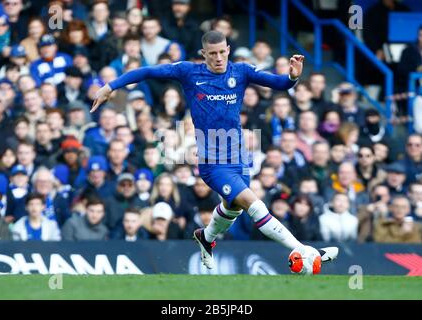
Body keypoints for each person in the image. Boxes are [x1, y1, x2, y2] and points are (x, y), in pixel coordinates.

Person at [91, 30, 338, 269]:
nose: (219, 58)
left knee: (233, 209)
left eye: (222, 52)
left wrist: (293, 77)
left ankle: (206, 238)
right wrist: (110, 86)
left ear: (229, 50)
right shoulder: (188, 72)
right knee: (254, 204)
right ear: (204, 54)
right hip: (212, 162)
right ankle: (302, 250)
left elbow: (279, 83)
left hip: (238, 156)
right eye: (213, 54)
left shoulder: (241, 71)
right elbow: (147, 71)